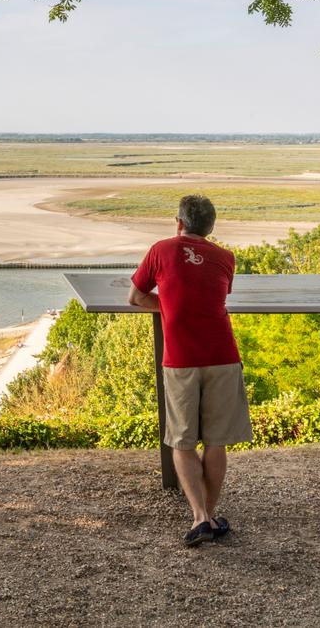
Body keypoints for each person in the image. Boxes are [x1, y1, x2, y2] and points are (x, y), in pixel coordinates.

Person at [128, 194, 253, 547]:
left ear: (178, 222)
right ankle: (209, 518)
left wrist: (165, 306)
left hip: (181, 359)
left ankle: (200, 517)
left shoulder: (161, 251)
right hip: (223, 355)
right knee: (216, 441)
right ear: (210, 228)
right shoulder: (226, 258)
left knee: (181, 440)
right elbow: (213, 296)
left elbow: (135, 298)